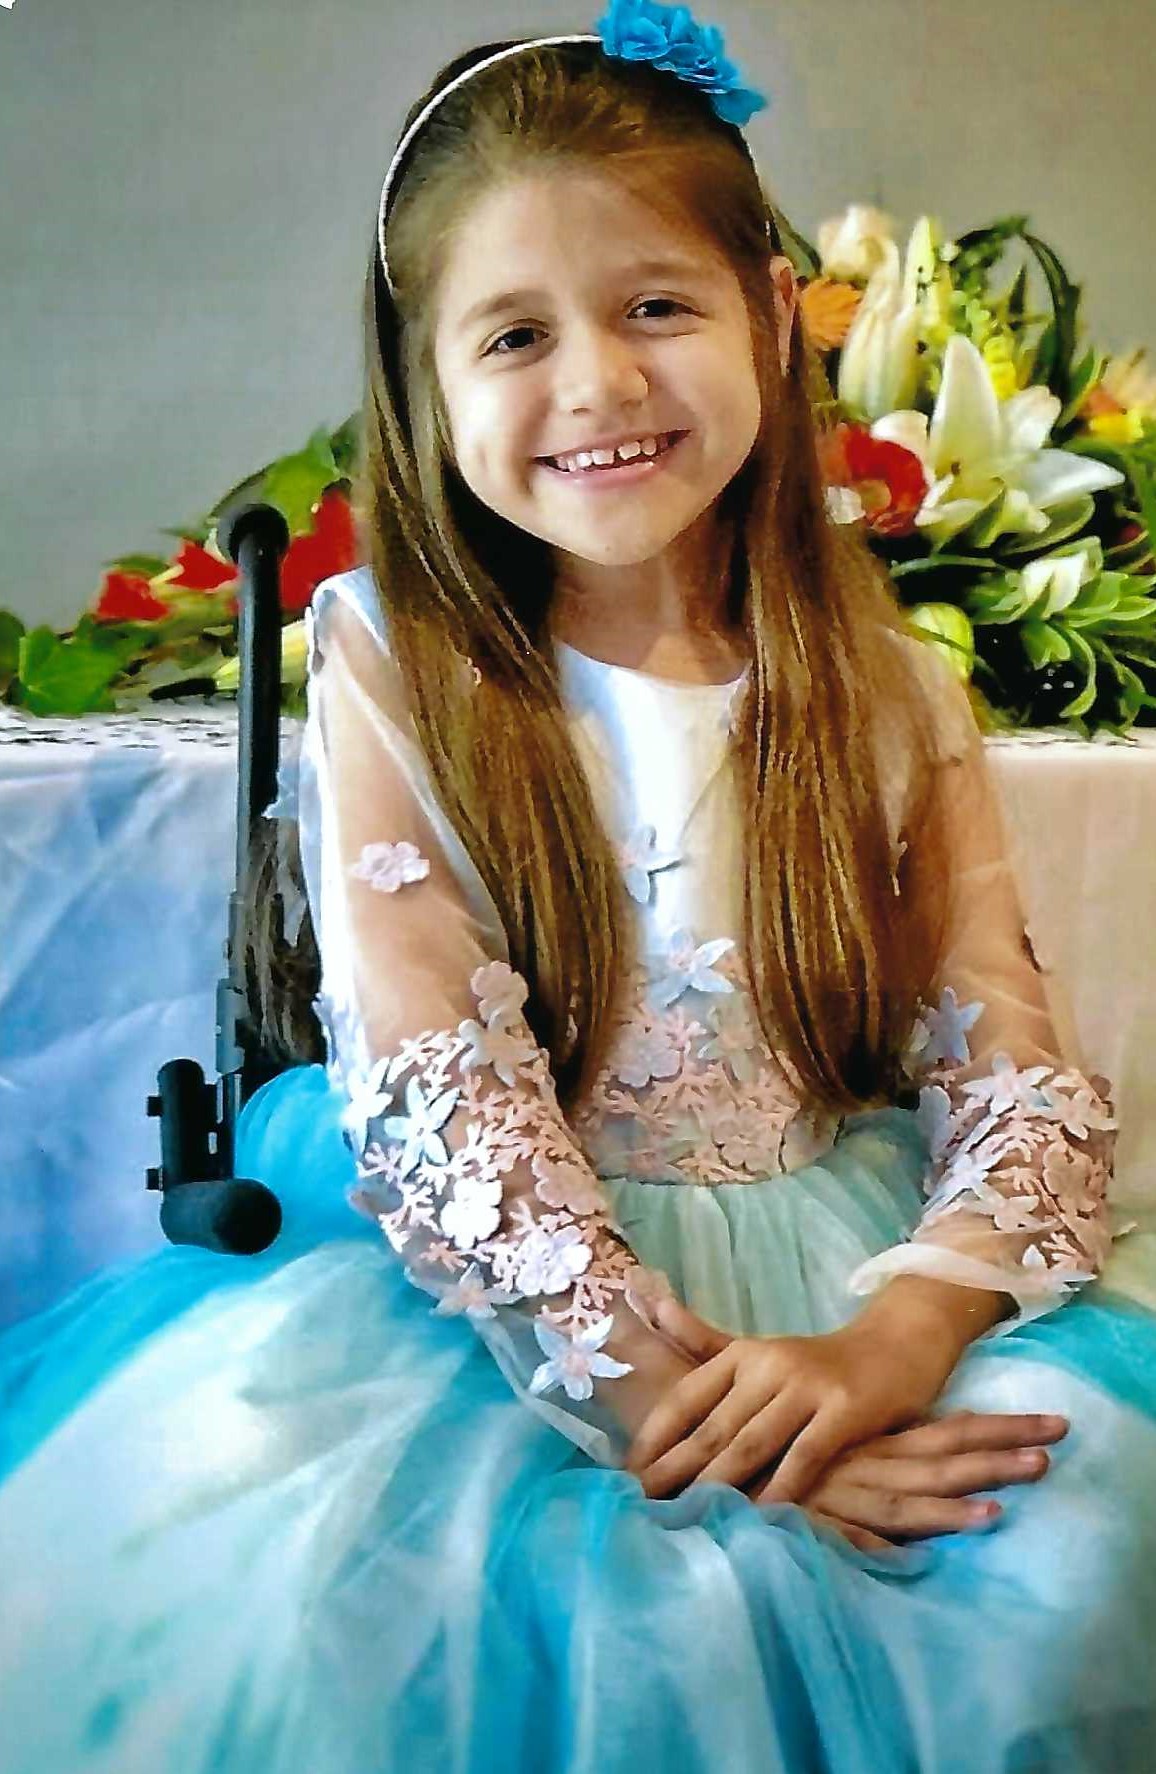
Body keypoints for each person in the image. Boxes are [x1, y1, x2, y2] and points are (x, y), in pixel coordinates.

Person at [3, 3, 1156, 1768]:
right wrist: (685, 1416)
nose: (600, 383)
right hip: (523, 1307)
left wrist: (895, 1345)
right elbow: (439, 1084)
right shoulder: (398, 663)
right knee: (418, 1629)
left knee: (1068, 1551)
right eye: (517, 334)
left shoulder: (888, 685)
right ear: (428, 382)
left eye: (657, 307)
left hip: (847, 1276)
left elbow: (1013, 1067)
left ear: (774, 310)